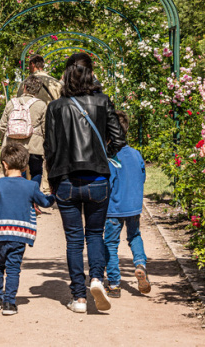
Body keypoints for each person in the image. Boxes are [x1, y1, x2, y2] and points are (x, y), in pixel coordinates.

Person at [44, 52, 126, 314]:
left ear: (66, 75)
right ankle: (97, 279)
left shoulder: (55, 107)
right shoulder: (102, 102)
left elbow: (50, 148)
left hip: (67, 180)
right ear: (91, 73)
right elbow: (119, 139)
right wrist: (103, 157)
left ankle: (79, 297)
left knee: (74, 241)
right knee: (95, 234)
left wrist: (52, 181)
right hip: (98, 179)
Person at [0, 144, 55, 316]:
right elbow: (45, 202)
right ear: (25, 167)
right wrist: (54, 194)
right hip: (20, 234)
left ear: (5, 164)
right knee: (13, 268)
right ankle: (9, 303)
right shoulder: (31, 186)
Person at [104, 110, 151, 298]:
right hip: (133, 206)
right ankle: (140, 264)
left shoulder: (110, 157)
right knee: (134, 236)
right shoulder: (136, 154)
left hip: (114, 208)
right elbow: (142, 177)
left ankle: (114, 284)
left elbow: (108, 184)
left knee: (110, 244)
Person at [0, 75, 47, 186]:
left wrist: (4, 142)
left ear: (24, 87)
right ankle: (33, 198)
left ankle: (20, 197)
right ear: (38, 90)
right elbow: (45, 129)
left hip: (13, 146)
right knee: (36, 171)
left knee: (17, 172)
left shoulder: (11, 103)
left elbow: (2, 126)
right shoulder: (41, 105)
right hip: (34, 147)